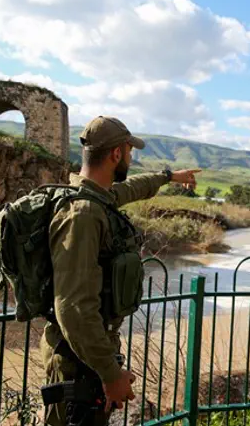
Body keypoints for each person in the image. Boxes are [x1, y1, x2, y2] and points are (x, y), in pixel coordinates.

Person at [40, 115, 200, 425]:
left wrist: (169, 176)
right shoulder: (83, 214)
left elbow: (135, 188)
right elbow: (72, 307)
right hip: (77, 362)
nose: (131, 158)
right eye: (129, 152)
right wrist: (110, 373)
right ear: (116, 154)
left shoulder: (97, 197)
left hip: (87, 356)